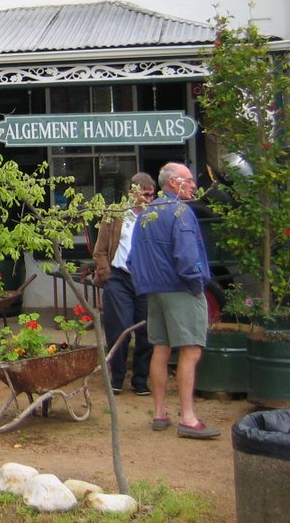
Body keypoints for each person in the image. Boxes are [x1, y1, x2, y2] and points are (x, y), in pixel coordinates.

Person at [128, 162, 219, 439]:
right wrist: (197, 285)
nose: (193, 185)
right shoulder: (181, 212)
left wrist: (148, 284)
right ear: (172, 183)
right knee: (190, 351)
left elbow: (133, 258)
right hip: (181, 288)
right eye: (188, 180)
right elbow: (187, 256)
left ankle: (159, 414)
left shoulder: (147, 213)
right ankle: (188, 418)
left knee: (160, 348)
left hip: (154, 291)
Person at [92, 172, 156, 396]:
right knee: (119, 328)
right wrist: (106, 273)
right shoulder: (116, 214)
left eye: (152, 195)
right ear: (133, 193)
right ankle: (116, 378)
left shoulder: (154, 215)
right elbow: (99, 250)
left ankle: (140, 380)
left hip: (145, 279)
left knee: (147, 330)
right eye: (145, 195)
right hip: (119, 277)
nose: (149, 200)